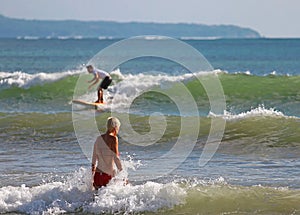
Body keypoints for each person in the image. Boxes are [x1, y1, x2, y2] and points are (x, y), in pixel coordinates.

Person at [91, 117, 123, 190]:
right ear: (115, 127)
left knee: (95, 199)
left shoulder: (98, 139)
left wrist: (92, 177)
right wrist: (122, 174)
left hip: (97, 175)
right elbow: (116, 158)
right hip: (107, 175)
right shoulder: (114, 139)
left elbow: (93, 159)